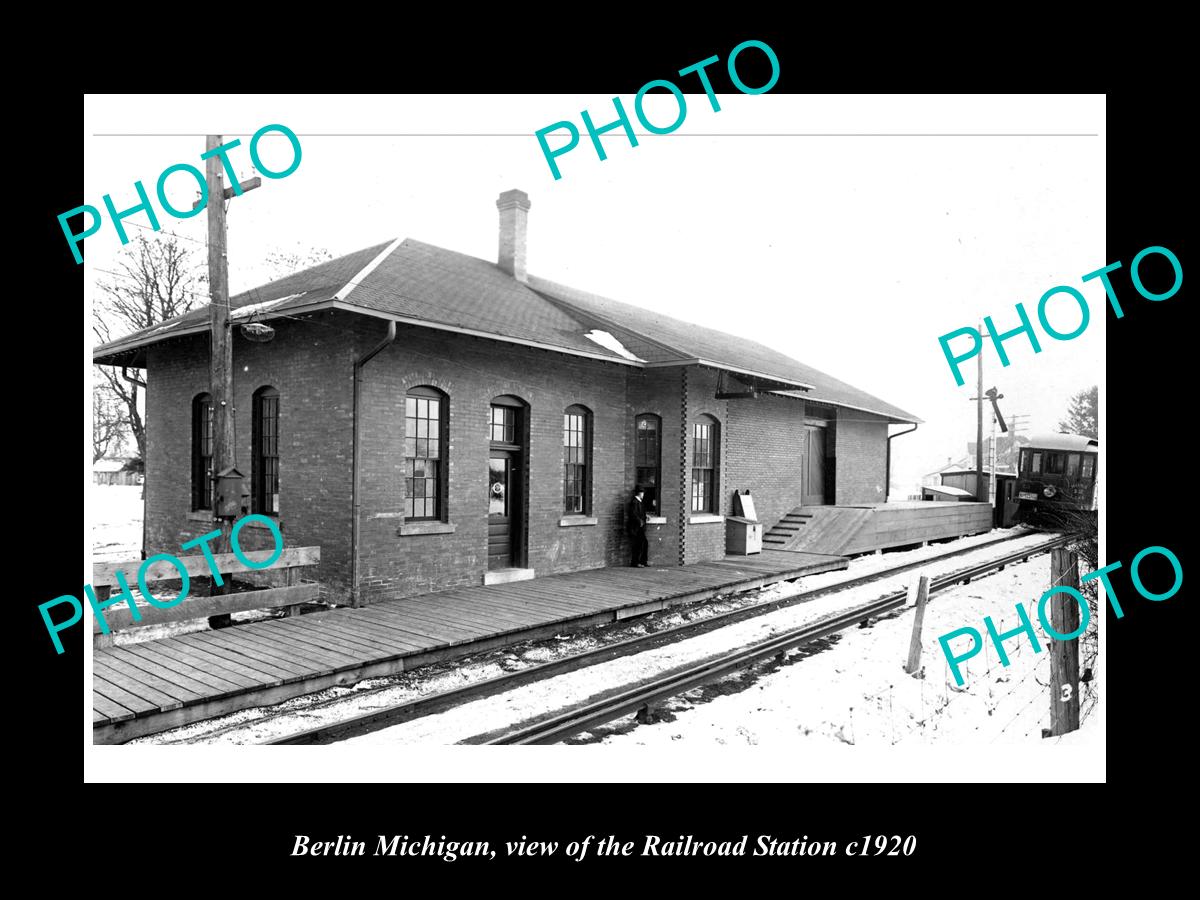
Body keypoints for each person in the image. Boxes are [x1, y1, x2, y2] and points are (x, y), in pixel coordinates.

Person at [628, 488, 649, 567]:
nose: (643, 495)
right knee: (638, 545)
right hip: (636, 528)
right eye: (642, 493)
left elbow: (639, 513)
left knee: (643, 543)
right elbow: (633, 514)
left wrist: (646, 516)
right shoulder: (634, 502)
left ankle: (642, 561)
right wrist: (639, 521)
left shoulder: (638, 502)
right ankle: (636, 562)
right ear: (640, 493)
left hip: (639, 527)